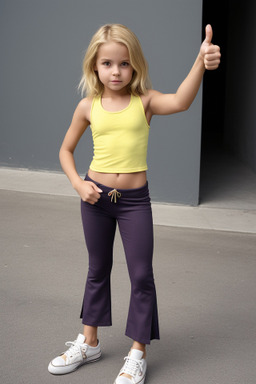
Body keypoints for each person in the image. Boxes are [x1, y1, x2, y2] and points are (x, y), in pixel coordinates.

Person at [48, 23, 220, 383]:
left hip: (134, 202)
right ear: (95, 66)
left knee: (141, 275)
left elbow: (182, 101)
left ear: (135, 66)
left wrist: (201, 62)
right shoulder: (87, 106)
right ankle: (89, 341)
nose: (116, 71)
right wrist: (80, 185)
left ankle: (138, 351)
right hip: (94, 199)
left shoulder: (145, 102)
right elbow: (65, 151)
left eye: (124, 64)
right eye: (107, 63)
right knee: (97, 269)